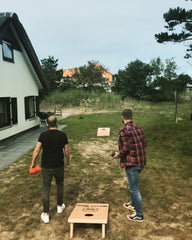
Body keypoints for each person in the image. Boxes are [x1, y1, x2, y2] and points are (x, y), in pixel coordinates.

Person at [30, 115, 70, 224]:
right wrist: (68, 160)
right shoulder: (62, 135)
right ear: (56, 123)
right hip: (59, 166)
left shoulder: (43, 135)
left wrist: (33, 163)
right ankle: (59, 206)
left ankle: (46, 214)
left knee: (46, 189)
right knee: (60, 185)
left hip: (46, 167)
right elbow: (66, 150)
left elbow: (37, 150)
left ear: (47, 124)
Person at [113, 109, 147, 222]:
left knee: (134, 189)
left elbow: (125, 148)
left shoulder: (123, 130)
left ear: (122, 117)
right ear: (131, 117)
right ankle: (132, 204)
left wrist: (118, 155)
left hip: (132, 163)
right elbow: (144, 143)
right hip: (141, 161)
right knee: (133, 185)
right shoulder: (139, 128)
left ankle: (139, 214)